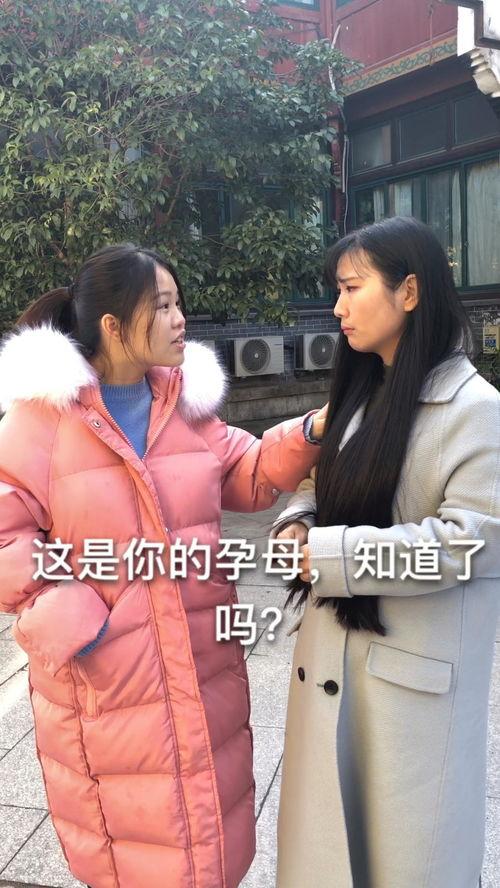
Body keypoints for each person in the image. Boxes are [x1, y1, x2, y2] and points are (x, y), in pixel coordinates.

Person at [0, 243, 326, 888]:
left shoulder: (183, 405)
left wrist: (313, 430)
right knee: (134, 846)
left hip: (203, 666)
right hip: (109, 683)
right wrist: (84, 624)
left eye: (180, 304)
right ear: (113, 325)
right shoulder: (41, 419)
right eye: (164, 306)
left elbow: (249, 473)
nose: (181, 321)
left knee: (209, 837)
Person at [271, 216, 500, 888]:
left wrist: (329, 557)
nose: (337, 307)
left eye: (351, 288)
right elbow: (323, 488)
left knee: (404, 864)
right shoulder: (365, 389)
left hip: (411, 698)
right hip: (333, 667)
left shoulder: (475, 409)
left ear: (409, 291)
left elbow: (468, 543)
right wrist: (296, 524)